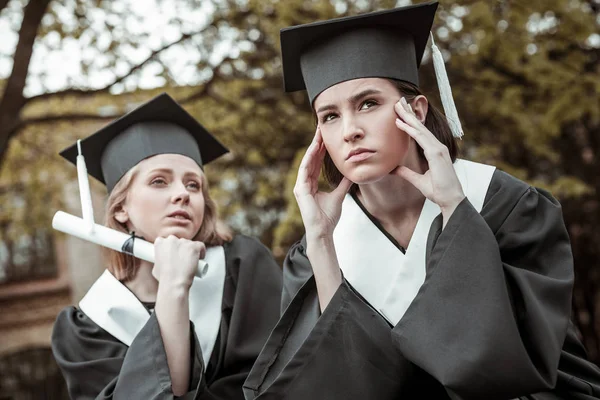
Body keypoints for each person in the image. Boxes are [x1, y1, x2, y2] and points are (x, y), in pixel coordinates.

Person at [242, 2, 600, 399]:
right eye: (329, 116)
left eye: (368, 103)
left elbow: (511, 364)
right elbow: (339, 386)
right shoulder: (317, 248)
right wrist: (322, 243)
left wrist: (455, 210)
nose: (350, 131)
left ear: (416, 110)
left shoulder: (503, 204)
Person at [51, 93, 282, 399]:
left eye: (193, 184)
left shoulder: (244, 267)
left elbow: (281, 379)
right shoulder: (88, 327)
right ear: (121, 208)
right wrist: (173, 288)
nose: (182, 194)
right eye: (159, 181)